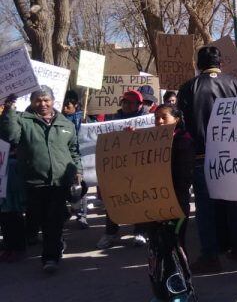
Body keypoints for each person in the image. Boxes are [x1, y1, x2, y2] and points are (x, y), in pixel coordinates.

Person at [177, 45, 237, 273]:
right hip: (233, 153)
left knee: (206, 209)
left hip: (202, 155)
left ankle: (210, 255)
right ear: (220, 63)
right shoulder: (236, 84)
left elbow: (183, 124)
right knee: (235, 203)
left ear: (198, 65)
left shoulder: (188, 88)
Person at [1, 87, 81, 273]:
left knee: (52, 220)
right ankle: (52, 243)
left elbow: (74, 152)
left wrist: (79, 173)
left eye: (46, 100)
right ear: (31, 101)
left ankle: (50, 258)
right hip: (34, 183)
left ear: (54, 101)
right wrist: (9, 110)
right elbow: (10, 136)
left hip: (60, 182)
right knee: (37, 219)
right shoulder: (22, 120)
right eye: (38, 100)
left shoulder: (65, 124)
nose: (43, 104)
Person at [145, 104, 195, 301]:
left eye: (164, 117)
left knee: (173, 248)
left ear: (177, 119)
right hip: (152, 204)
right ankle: (160, 293)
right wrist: (130, 139)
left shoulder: (184, 141)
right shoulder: (149, 140)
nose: (159, 121)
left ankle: (182, 291)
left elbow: (183, 178)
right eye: (156, 117)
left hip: (174, 204)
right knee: (156, 249)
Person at [97, 89, 151, 249]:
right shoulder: (113, 119)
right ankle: (110, 233)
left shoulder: (146, 120)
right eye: (124, 101)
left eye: (130, 102)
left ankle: (141, 231)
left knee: (140, 199)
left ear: (139, 104)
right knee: (114, 200)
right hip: (118, 167)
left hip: (140, 168)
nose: (126, 105)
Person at [60, 90, 90, 229]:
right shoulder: (58, 118)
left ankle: (81, 215)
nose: (65, 108)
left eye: (68, 105)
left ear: (76, 105)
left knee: (80, 187)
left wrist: (86, 125)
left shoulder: (83, 119)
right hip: (63, 158)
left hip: (80, 158)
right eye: (63, 105)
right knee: (66, 188)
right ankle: (68, 211)